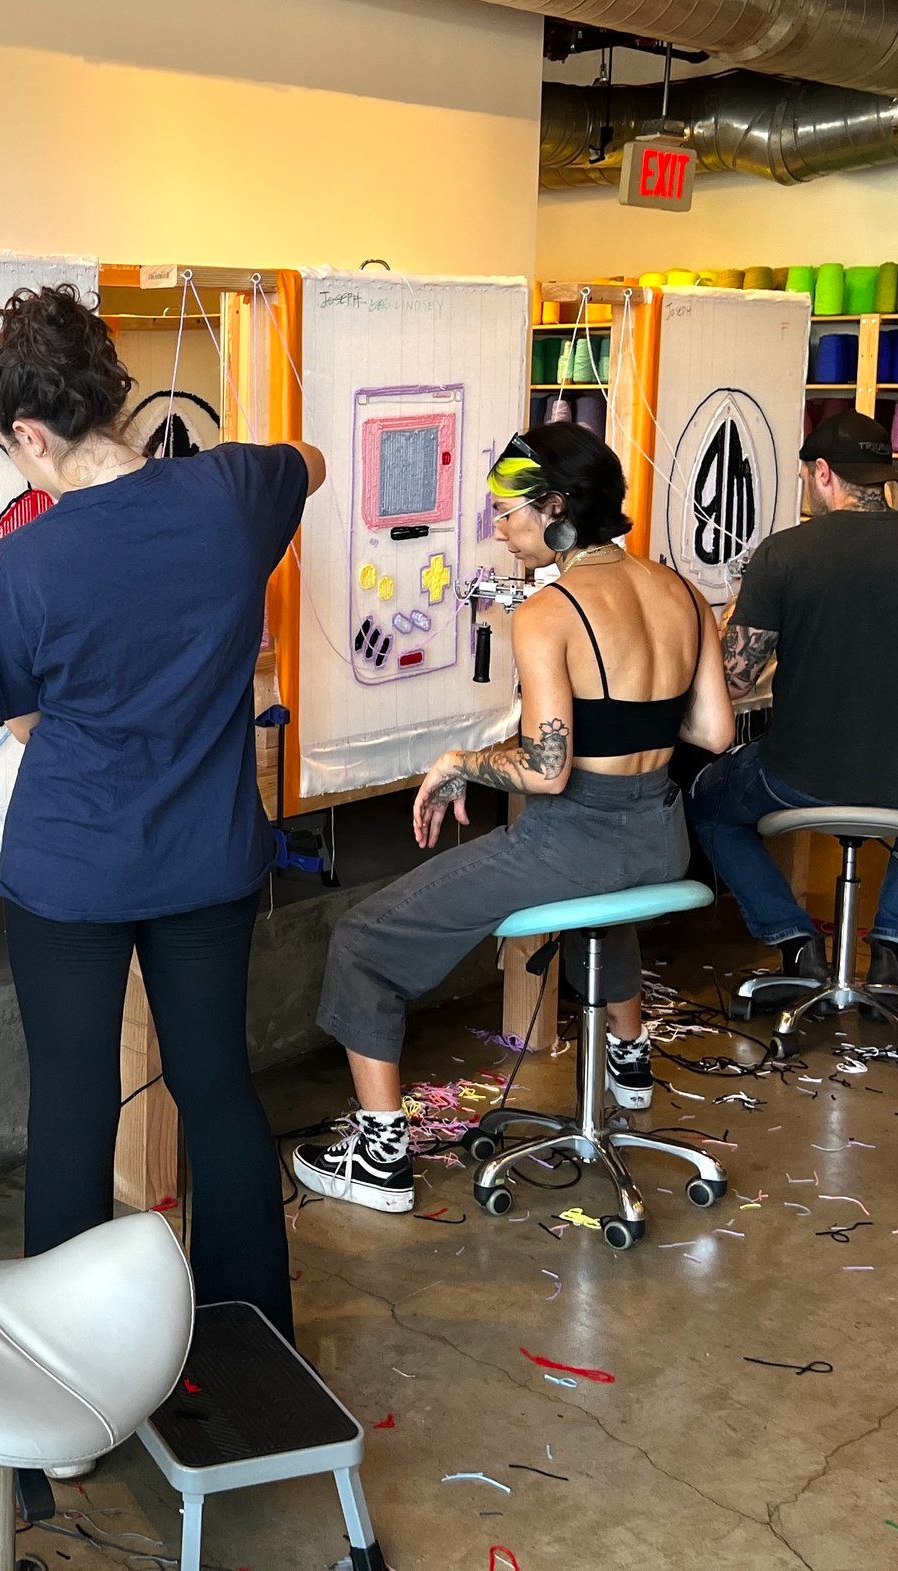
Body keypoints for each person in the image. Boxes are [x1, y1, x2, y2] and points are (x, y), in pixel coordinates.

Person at [0, 284, 323, 1344]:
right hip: (206, 858)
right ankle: (253, 1340)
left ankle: (68, 1374)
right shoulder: (235, 492)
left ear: (32, 432)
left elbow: (23, 718)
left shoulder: (20, 563)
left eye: (10, 448)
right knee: (216, 1088)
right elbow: (305, 459)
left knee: (73, 1107)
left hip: (71, 867)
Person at [295, 423, 736, 1216]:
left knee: (363, 940)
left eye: (508, 511)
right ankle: (629, 1062)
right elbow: (713, 733)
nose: (497, 527)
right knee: (611, 902)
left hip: (575, 839)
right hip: (662, 840)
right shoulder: (680, 592)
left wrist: (461, 760)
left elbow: (547, 767)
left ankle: (379, 1154)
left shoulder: (548, 612)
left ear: (557, 508)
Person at [690, 409, 898, 986]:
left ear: (824, 471)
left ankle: (793, 938)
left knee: (709, 800)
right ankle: (894, 948)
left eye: (808, 474)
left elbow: (734, 684)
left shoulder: (783, 554)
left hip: (795, 777)